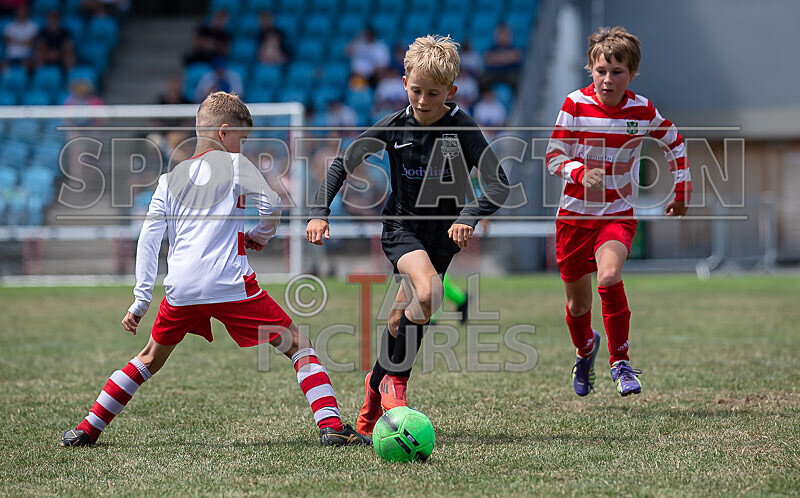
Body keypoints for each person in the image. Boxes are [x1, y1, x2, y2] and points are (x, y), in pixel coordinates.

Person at [61, 92, 370, 448]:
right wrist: (259, 236)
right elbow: (272, 206)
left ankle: (87, 429)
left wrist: (141, 299)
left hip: (181, 289)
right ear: (224, 133)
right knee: (298, 344)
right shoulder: (235, 164)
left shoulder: (168, 180)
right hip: (230, 284)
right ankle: (331, 426)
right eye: (242, 138)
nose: (243, 146)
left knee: (148, 358)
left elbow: (149, 239)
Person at [306, 35, 510, 435]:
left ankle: (372, 397)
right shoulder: (393, 125)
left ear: (451, 91)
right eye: (416, 90)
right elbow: (342, 163)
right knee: (430, 292)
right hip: (402, 228)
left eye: (433, 93)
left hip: (443, 238)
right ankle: (395, 383)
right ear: (403, 84)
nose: (422, 100)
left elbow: (499, 184)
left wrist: (470, 215)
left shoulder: (462, 128)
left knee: (401, 319)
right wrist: (319, 212)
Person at [545, 26, 691, 398]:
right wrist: (579, 172)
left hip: (616, 215)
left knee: (609, 276)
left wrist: (682, 189)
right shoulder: (574, 104)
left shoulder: (642, 110)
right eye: (601, 71)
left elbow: (674, 141)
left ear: (632, 73)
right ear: (590, 70)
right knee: (578, 304)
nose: (608, 79)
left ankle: (620, 363)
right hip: (574, 219)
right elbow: (553, 156)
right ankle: (585, 350)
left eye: (617, 71)